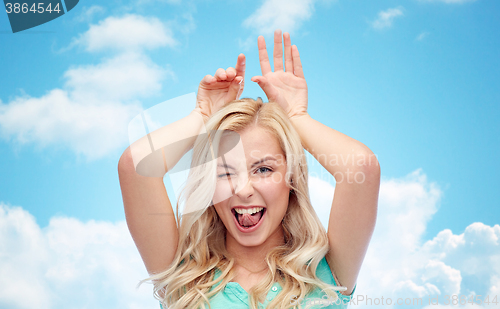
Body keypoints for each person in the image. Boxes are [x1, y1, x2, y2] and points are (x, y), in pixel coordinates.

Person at [118, 30, 380, 309]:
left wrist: (296, 117)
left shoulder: (325, 274)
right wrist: (203, 116)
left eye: (264, 169)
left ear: (291, 178)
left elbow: (360, 166)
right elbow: (136, 165)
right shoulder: (183, 278)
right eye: (225, 173)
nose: (243, 190)